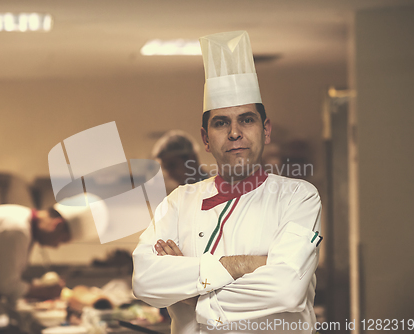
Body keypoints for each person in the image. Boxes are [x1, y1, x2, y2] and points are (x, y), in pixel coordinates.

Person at [132, 31, 322, 334]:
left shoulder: (297, 197)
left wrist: (193, 292)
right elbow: (145, 280)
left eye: (246, 119)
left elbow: (286, 289)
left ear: (266, 130)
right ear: (206, 138)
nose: (235, 132)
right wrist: (242, 265)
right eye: (221, 123)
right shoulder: (178, 203)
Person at [0, 193, 104, 334]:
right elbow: (6, 285)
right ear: (57, 225)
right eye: (62, 240)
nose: (57, 246)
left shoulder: (20, 218)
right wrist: (45, 291)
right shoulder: (17, 229)